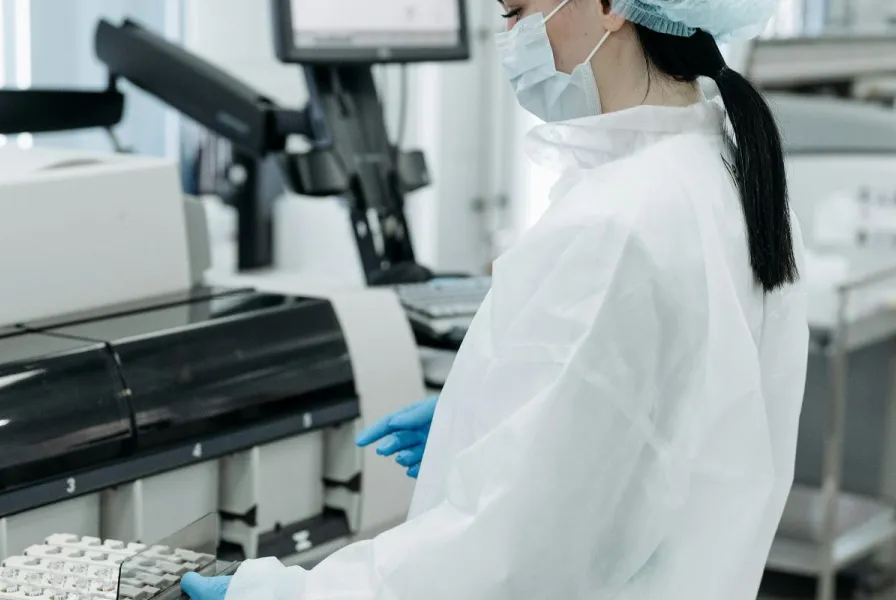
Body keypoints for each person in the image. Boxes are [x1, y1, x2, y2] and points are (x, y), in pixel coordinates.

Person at [182, 0, 808, 597]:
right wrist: (483, 415)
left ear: (613, 6)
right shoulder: (732, 171)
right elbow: (673, 431)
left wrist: (284, 592)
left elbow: (503, 562)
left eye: (516, 12)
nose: (511, 40)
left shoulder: (616, 222)